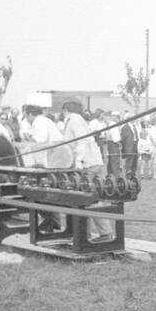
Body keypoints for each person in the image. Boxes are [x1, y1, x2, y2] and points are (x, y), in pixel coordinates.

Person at [59, 101, 114, 240]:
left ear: (66, 109)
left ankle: (100, 234)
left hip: (88, 164)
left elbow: (82, 141)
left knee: (89, 199)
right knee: (90, 199)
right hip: (91, 162)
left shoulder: (74, 120)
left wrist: (79, 162)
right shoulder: (76, 120)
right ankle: (87, 233)